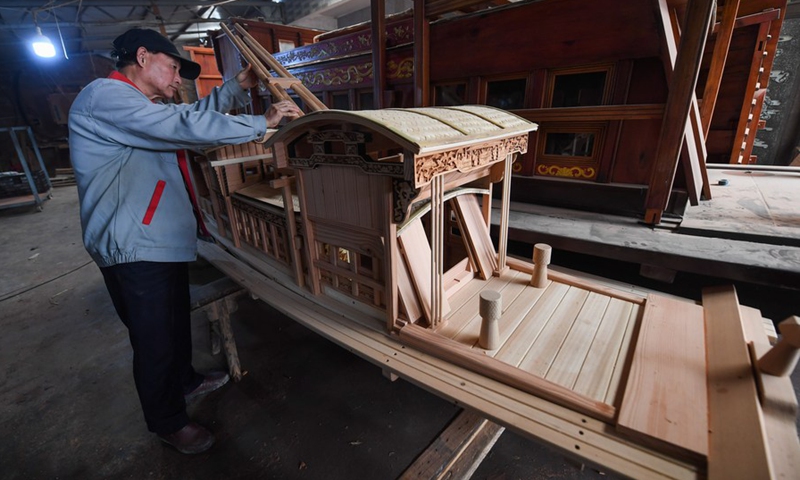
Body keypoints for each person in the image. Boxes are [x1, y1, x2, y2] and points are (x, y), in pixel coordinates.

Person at [68, 27, 302, 455]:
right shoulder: (104, 96)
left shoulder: (141, 106)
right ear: (143, 57)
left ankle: (186, 379)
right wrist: (259, 123)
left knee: (173, 318)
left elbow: (189, 117)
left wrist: (237, 87)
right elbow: (183, 124)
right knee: (153, 337)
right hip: (131, 243)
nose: (179, 80)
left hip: (156, 236)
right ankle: (167, 421)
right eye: (174, 67)